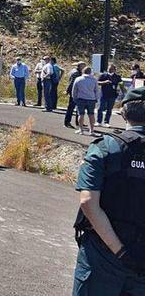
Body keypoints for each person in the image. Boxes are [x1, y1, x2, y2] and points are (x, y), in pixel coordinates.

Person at [72, 86, 145, 295]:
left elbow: (88, 202)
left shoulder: (106, 147)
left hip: (103, 255)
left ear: (123, 113)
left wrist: (120, 252)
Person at [73, 67, 100, 136]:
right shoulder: (94, 80)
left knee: (81, 114)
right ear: (90, 72)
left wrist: (74, 98)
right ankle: (92, 130)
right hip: (91, 99)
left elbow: (74, 90)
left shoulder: (78, 79)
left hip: (81, 99)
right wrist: (96, 99)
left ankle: (81, 130)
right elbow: (96, 90)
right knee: (91, 115)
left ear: (83, 71)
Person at [65, 62, 86, 129]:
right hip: (74, 92)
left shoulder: (79, 72)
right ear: (80, 66)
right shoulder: (76, 73)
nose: (84, 67)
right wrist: (68, 91)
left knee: (79, 108)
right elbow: (71, 83)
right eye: (83, 66)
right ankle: (67, 122)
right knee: (71, 108)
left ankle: (79, 122)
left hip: (79, 92)